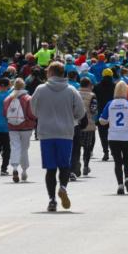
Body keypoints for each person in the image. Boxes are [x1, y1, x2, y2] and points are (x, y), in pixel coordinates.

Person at [31, 61, 86, 212]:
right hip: (65, 133)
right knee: (64, 165)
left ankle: (52, 200)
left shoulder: (40, 89)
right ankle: (63, 187)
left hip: (46, 133)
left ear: (50, 73)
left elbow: (33, 109)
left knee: (50, 168)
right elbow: (80, 112)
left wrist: (43, 115)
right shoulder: (71, 90)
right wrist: (70, 116)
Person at [99, 81, 128, 195]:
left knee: (117, 162)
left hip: (113, 136)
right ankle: (127, 178)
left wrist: (108, 121)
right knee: (127, 161)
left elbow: (102, 120)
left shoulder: (110, 104)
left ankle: (120, 185)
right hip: (127, 136)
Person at [4, 78, 36, 183]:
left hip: (12, 127)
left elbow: (5, 113)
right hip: (26, 127)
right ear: (24, 86)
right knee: (24, 149)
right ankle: (24, 170)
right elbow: (32, 114)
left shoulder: (8, 98)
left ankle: (14, 168)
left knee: (15, 147)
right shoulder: (28, 98)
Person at [74, 77, 98, 177]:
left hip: (76, 124)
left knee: (76, 147)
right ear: (89, 85)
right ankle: (86, 165)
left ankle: (76, 164)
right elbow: (93, 110)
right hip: (88, 124)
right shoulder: (92, 95)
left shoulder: (75, 94)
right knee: (87, 147)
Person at [93, 68, 115, 161]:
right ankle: (113, 151)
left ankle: (106, 152)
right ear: (112, 75)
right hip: (113, 113)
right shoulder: (115, 86)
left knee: (103, 135)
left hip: (101, 113)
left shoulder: (97, 86)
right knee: (113, 134)